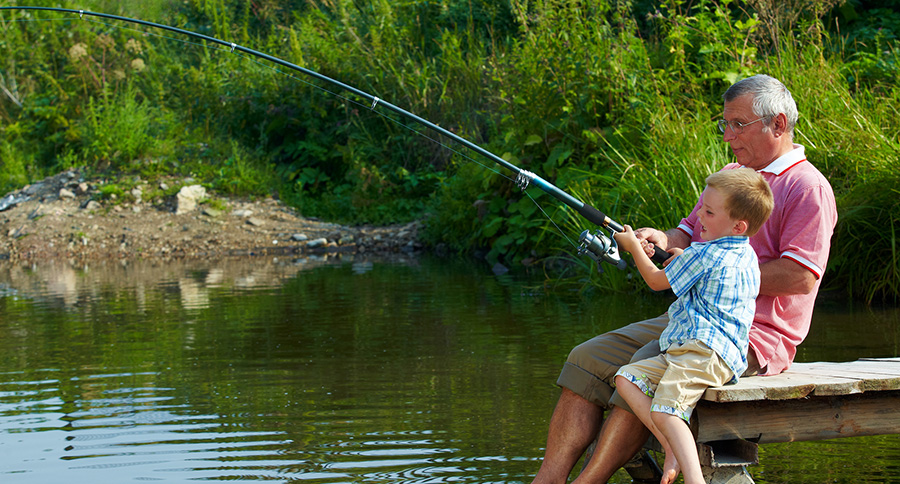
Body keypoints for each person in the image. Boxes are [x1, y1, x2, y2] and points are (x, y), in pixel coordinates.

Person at [530, 74, 837, 484]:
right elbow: (690, 233)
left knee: (642, 368)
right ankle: (546, 480)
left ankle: (591, 481)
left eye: (738, 124)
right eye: (725, 124)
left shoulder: (808, 188)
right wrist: (660, 238)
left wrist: (711, 271)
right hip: (688, 321)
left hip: (747, 336)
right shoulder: (732, 173)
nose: (728, 136)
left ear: (777, 125)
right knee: (586, 358)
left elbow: (800, 277)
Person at [612, 168, 774, 484]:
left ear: (738, 225)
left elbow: (657, 281)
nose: (699, 214)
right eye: (702, 206)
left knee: (665, 411)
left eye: (709, 211)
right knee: (627, 379)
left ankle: (694, 479)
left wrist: (633, 248)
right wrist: (682, 259)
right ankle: (672, 443)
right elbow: (706, 279)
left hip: (701, 352)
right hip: (718, 356)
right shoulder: (746, 255)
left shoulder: (701, 254)